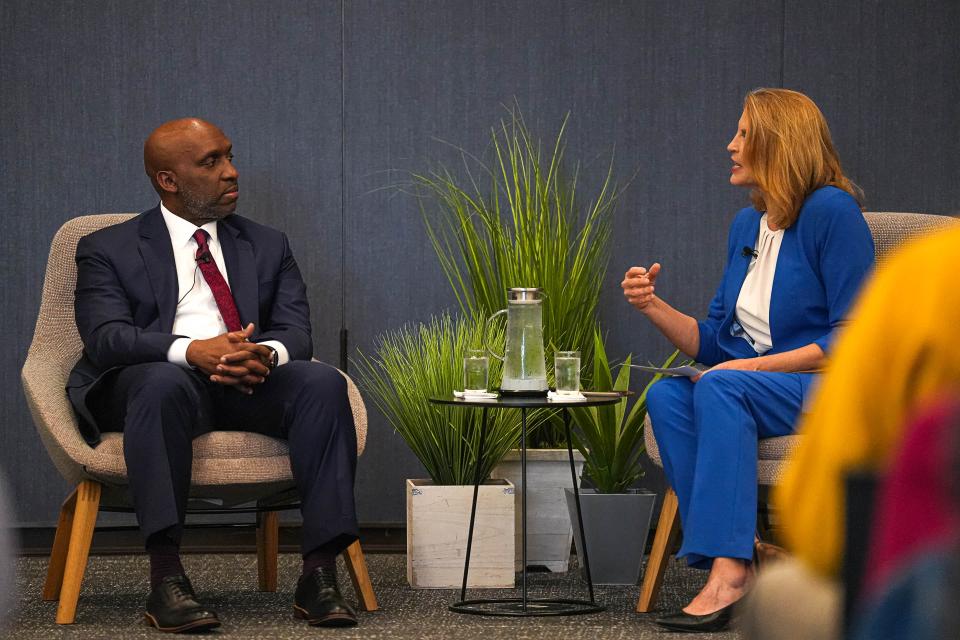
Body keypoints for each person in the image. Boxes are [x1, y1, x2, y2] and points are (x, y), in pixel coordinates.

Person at [67, 118, 360, 632]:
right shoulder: (106, 247)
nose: (231, 172)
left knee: (322, 383)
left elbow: (297, 333)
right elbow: (107, 337)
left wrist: (263, 355)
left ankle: (319, 574)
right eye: (211, 162)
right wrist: (191, 351)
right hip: (155, 385)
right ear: (168, 180)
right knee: (162, 383)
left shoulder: (267, 243)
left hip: (246, 383)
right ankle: (167, 580)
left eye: (228, 156)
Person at [621, 88, 874, 633]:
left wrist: (745, 371)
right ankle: (742, 556)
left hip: (821, 385)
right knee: (667, 393)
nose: (729, 145)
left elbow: (851, 338)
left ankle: (730, 571)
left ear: (778, 143)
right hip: (752, 387)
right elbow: (715, 343)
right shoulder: (746, 226)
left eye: (742, 134)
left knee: (719, 388)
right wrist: (652, 305)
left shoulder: (833, 211)